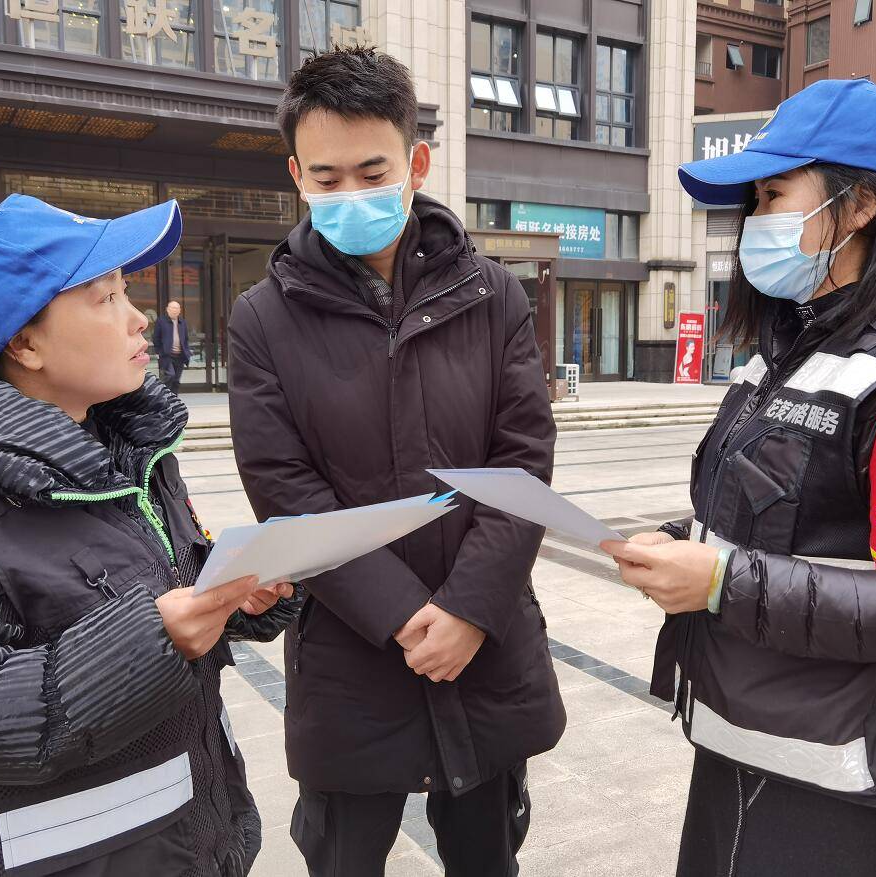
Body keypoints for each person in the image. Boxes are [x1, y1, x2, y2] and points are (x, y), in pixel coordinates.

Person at [603, 79, 876, 877]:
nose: (755, 218)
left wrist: (721, 580)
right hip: (740, 747)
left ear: (859, 205)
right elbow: (783, 525)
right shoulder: (784, 350)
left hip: (845, 793)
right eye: (753, 199)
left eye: (773, 193)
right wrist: (684, 544)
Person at [0, 193, 300, 877]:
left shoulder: (129, 458)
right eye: (103, 298)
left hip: (191, 847)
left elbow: (153, 588)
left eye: (127, 290)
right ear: (24, 341)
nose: (137, 316)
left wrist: (236, 593)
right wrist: (154, 639)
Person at [227, 47, 565, 876]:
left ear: (415, 161)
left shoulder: (493, 295)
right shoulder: (261, 319)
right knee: (345, 858)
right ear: (296, 176)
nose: (349, 194)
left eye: (370, 169)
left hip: (482, 646)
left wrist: (471, 610)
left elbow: (520, 458)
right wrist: (405, 615)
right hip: (352, 654)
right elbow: (284, 489)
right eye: (326, 176)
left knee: (487, 855)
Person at [153, 299, 192, 393]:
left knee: (176, 381)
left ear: (180, 310)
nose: (175, 310)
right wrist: (159, 352)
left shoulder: (182, 322)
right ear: (167, 309)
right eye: (173, 308)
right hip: (167, 356)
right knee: (169, 377)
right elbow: (156, 338)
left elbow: (186, 339)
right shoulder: (161, 321)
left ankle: (174, 401)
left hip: (180, 356)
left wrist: (187, 351)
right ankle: (166, 399)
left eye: (177, 308)